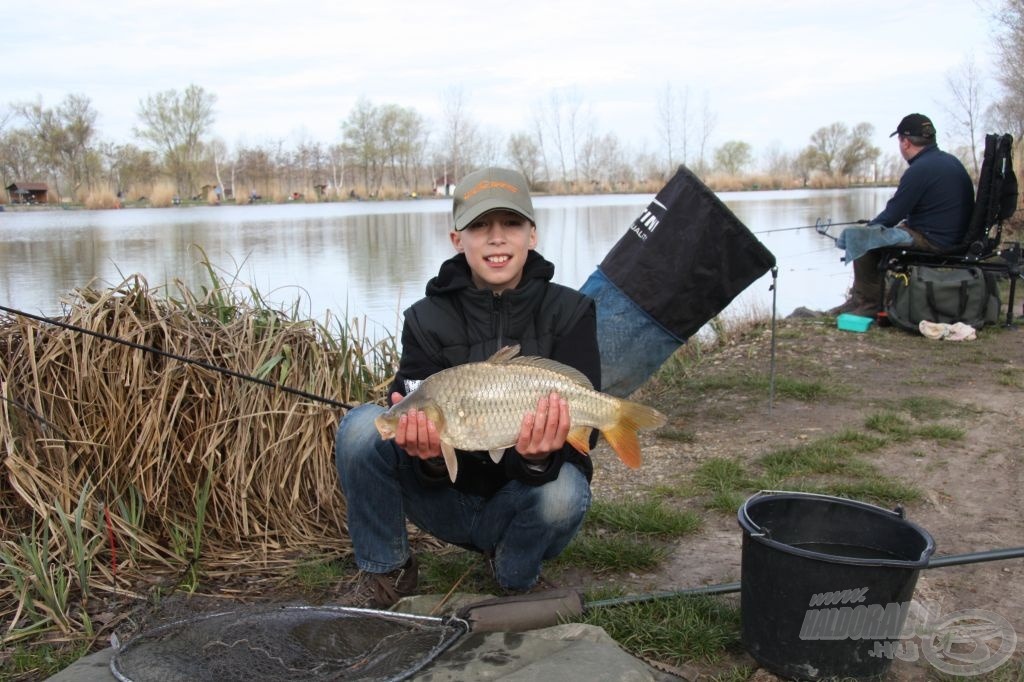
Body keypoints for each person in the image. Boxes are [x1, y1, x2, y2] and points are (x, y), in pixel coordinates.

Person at [334, 167, 599, 608]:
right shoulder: (424, 318)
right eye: (479, 225)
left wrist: (538, 459)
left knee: (565, 490)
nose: (496, 238)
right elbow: (412, 412)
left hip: (525, 500)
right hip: (448, 502)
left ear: (532, 234)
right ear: (458, 239)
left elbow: (579, 451)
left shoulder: (572, 311)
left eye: (510, 223)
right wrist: (431, 459)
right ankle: (387, 570)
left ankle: (514, 568)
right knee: (362, 428)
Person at [831, 113, 975, 317]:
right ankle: (858, 299)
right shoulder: (950, 162)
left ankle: (869, 304)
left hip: (936, 241)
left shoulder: (920, 170)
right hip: (954, 237)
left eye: (900, 141)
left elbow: (891, 215)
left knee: (862, 238)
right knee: (873, 234)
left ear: (905, 142)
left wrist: (868, 230)